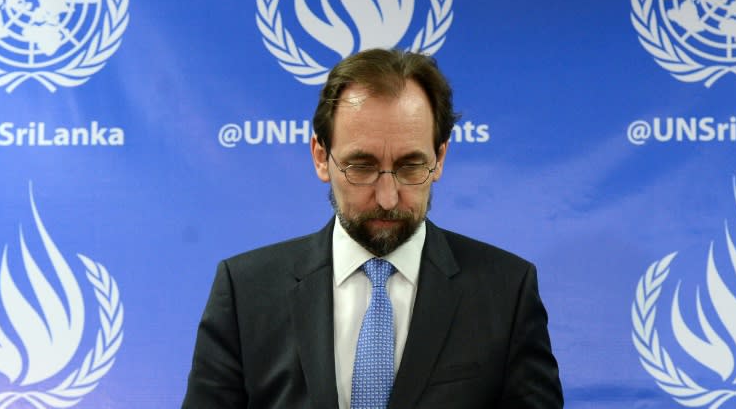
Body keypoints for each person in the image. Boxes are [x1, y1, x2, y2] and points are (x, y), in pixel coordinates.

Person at [182, 48, 564, 408]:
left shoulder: (506, 292)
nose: (387, 197)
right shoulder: (246, 292)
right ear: (320, 157)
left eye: (410, 167)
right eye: (361, 167)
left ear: (440, 157)